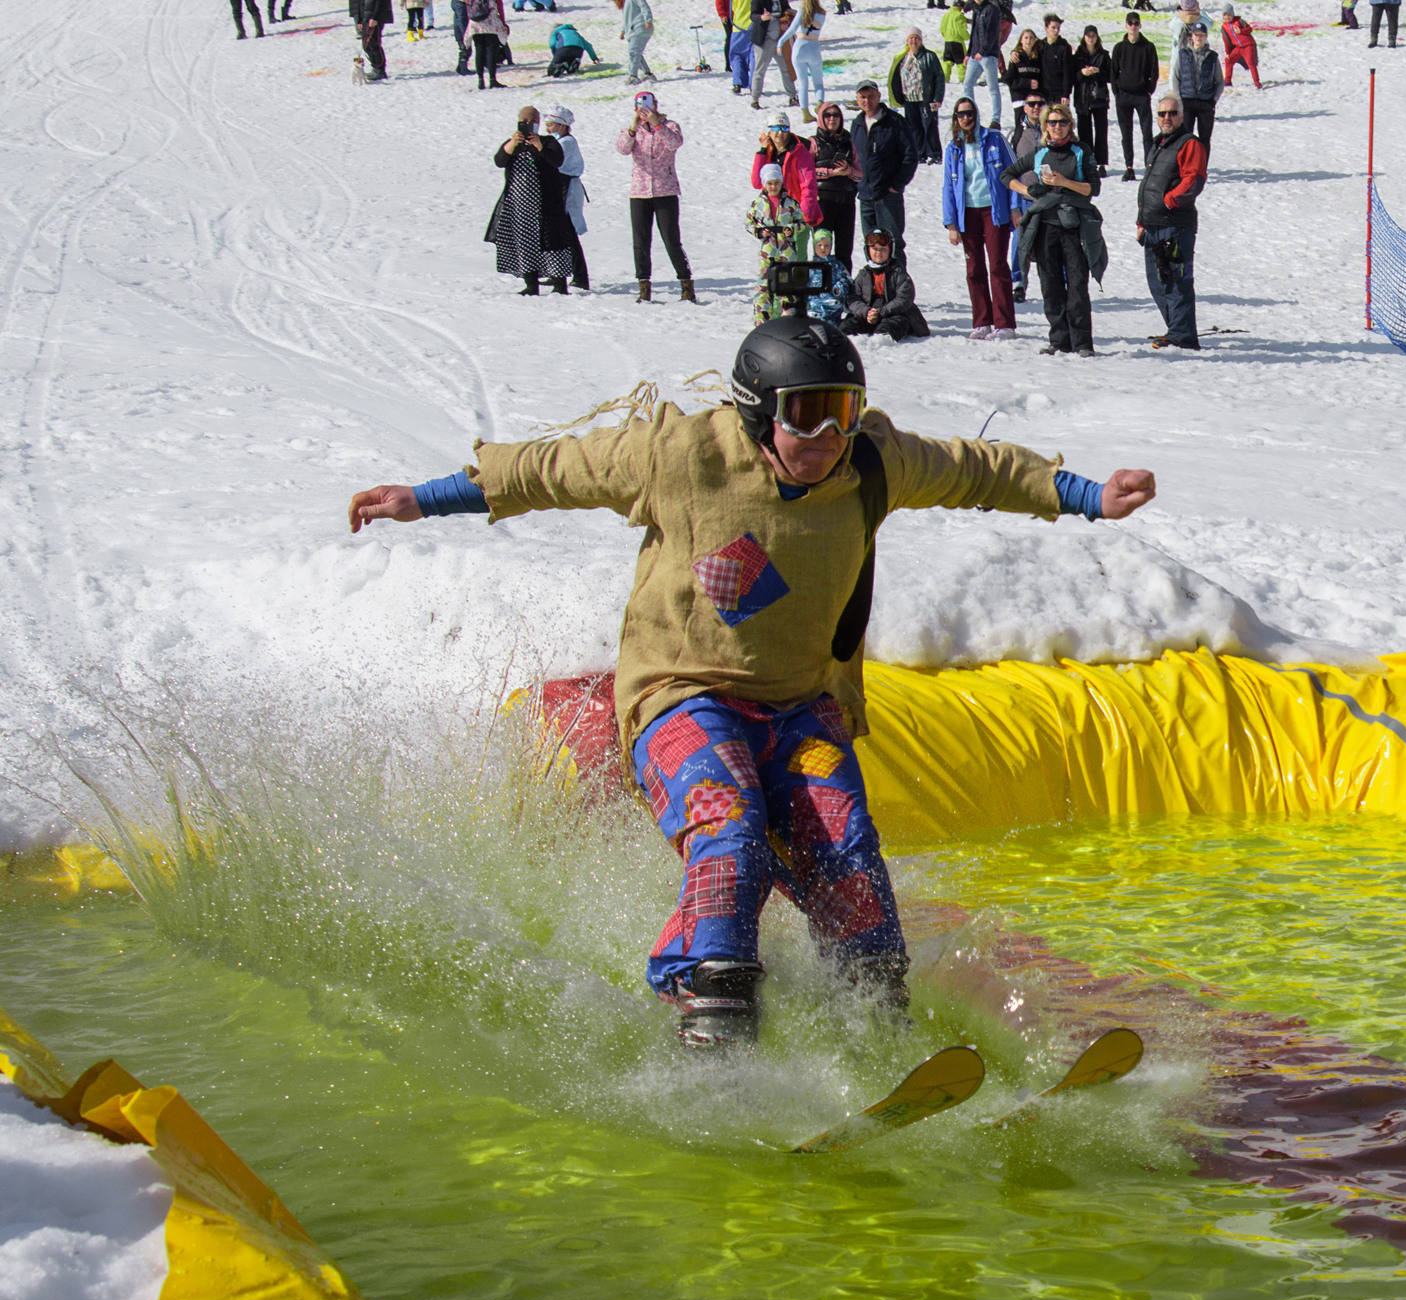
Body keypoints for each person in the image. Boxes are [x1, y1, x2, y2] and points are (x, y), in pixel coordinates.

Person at [346, 318, 1158, 1047]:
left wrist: (1088, 495)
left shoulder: (868, 464)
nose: (830, 431)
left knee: (850, 859)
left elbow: (973, 470)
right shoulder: (682, 457)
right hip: (682, 694)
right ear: (759, 413)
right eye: (808, 412)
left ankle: (873, 1030)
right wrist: (421, 498)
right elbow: (550, 469)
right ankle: (710, 1021)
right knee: (730, 832)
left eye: (844, 407)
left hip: (801, 706)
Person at [1004, 103, 1104, 355]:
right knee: (1050, 285)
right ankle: (1059, 339)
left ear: (1070, 124)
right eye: (1052, 122)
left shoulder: (1080, 151)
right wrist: (1028, 191)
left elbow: (1093, 188)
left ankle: (1082, 342)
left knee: (1078, 284)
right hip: (1046, 225)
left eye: (1062, 122)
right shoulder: (1039, 153)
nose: (1057, 127)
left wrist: (1064, 182)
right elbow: (1006, 175)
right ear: (1045, 125)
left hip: (1074, 225)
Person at [942, 96, 1020, 340]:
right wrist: (951, 223)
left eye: (970, 113)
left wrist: (1015, 208)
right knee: (974, 267)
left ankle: (1004, 323)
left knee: (997, 264)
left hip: (994, 210)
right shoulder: (953, 148)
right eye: (961, 114)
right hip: (968, 213)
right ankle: (982, 320)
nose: (966, 118)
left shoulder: (994, 139)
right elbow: (948, 187)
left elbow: (1013, 172)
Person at [1136, 92, 1206, 350]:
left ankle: (1182, 335)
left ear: (1182, 116)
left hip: (1175, 225)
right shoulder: (1158, 144)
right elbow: (1149, 185)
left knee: (1176, 280)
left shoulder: (1189, 144)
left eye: (1172, 113)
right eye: (1162, 114)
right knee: (1157, 281)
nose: (1167, 118)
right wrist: (1141, 222)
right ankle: (1177, 328)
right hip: (1153, 223)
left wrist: (1169, 201)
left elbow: (1193, 181)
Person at [486, 107, 580, 296]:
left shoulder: (548, 141)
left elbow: (557, 161)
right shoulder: (513, 143)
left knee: (553, 242)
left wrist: (540, 147)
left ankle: (560, 284)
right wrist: (512, 144)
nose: (527, 124)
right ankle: (531, 284)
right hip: (519, 205)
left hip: (546, 204)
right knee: (524, 242)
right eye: (523, 120)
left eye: (531, 120)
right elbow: (499, 160)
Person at [618, 93, 695, 304]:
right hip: (639, 192)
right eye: (639, 106)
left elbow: (674, 143)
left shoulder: (670, 125)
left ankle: (686, 284)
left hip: (665, 190)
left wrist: (656, 124)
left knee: (671, 239)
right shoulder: (633, 130)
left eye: (648, 105)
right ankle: (644, 287)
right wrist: (634, 127)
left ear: (656, 106)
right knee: (640, 241)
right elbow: (622, 148)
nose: (644, 110)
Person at [852, 80, 918, 263]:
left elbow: (910, 156)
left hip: (888, 196)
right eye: (862, 97)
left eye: (871, 96)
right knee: (871, 245)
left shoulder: (895, 122)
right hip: (865, 196)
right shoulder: (857, 124)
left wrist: (897, 185)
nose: (867, 101)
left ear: (879, 96)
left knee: (892, 244)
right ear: (857, 99)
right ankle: (875, 289)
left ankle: (897, 289)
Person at [748, 164, 810, 323]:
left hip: (786, 251)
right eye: (769, 183)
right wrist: (759, 232)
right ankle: (762, 321)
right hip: (768, 251)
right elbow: (748, 222)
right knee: (763, 288)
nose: (773, 187)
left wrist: (791, 228)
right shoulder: (758, 203)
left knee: (786, 287)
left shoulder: (790, 203)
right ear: (764, 184)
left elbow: (802, 221)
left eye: (776, 182)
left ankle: (787, 321)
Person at [844, 231, 932, 340]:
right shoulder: (863, 275)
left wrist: (882, 312)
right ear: (867, 251)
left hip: (892, 314)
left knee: (894, 325)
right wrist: (866, 312)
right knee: (847, 326)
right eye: (874, 249)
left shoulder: (898, 273)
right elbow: (853, 298)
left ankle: (882, 338)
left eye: (883, 249)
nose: (878, 253)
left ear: (890, 251)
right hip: (869, 314)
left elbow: (904, 298)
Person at [544, 107, 591, 291]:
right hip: (557, 187)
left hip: (567, 188)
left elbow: (554, 161)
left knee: (569, 232)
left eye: (551, 125)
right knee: (556, 233)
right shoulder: (555, 141)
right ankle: (556, 271)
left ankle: (580, 276)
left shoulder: (567, 142)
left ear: (562, 125)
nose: (548, 129)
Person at [812, 102, 861, 271]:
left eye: (836, 115)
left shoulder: (848, 143)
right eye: (827, 115)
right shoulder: (814, 142)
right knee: (822, 247)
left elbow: (860, 173)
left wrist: (848, 171)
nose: (832, 119)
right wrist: (832, 173)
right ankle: (820, 288)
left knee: (845, 250)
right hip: (823, 201)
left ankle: (844, 287)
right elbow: (806, 172)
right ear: (821, 118)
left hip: (846, 201)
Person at [887, 29, 948, 166]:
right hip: (909, 98)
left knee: (929, 126)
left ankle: (934, 153)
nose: (913, 41)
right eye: (911, 38)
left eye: (916, 38)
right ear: (907, 41)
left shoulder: (929, 56)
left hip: (926, 98)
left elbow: (939, 77)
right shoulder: (902, 57)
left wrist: (937, 98)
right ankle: (919, 153)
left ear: (921, 40)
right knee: (914, 127)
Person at [1111, 11, 1157, 183]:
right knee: (1126, 133)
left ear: (1140, 25)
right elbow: (1113, 71)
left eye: (1136, 23)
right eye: (1130, 23)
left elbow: (1154, 71)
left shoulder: (1148, 47)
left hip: (1141, 95)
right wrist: (1116, 91)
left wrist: (1149, 91)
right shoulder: (1119, 48)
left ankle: (1149, 166)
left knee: (1147, 133)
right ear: (1125, 25)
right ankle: (1129, 167)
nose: (1133, 26)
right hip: (1123, 96)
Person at [754, 113, 823, 228]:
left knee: (797, 246)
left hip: (795, 213)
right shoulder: (767, 152)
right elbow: (756, 182)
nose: (780, 132)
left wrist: (804, 215)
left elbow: (808, 185)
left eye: (785, 129)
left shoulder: (800, 152)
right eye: (776, 128)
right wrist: (762, 152)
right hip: (772, 214)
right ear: (769, 131)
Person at [1007, 95, 1045, 299]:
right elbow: (1010, 171)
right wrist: (1014, 206)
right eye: (1032, 104)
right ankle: (1018, 282)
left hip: (1049, 197)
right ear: (1025, 108)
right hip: (1024, 195)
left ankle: (1060, 282)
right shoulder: (1017, 133)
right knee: (1019, 241)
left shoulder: (1053, 128)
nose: (1036, 107)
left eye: (1040, 104)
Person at [1070, 25, 1111, 172]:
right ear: (1084, 37)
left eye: (1093, 35)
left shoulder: (1103, 55)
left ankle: (1101, 163)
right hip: (1082, 98)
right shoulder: (1078, 56)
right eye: (1088, 35)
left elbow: (1111, 76)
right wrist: (1082, 73)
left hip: (1099, 98)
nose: (1091, 38)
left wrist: (1098, 71)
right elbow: (1072, 77)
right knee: (1084, 132)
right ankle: (1088, 162)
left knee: (1101, 132)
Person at [1175, 22, 1221, 151]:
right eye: (1196, 35)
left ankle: (1202, 169)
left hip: (1206, 102)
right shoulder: (1183, 54)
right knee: (1185, 138)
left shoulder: (1212, 57)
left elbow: (1220, 81)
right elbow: (1176, 77)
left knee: (1204, 139)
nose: (1198, 38)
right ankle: (1186, 168)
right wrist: (1179, 100)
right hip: (1187, 101)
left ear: (1206, 36)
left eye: (1201, 35)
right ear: (1192, 36)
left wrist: (1214, 99)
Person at [963, 0, 1008, 129]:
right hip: (975, 55)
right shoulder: (976, 9)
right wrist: (968, 52)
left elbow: (992, 33)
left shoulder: (991, 9)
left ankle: (996, 119)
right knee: (967, 84)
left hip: (988, 56)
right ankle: (970, 114)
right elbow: (974, 34)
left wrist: (983, 51)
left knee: (993, 88)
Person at [783, 0, 828, 118]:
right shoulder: (822, 12)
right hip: (814, 48)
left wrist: (780, 42)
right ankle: (819, 103)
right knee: (818, 82)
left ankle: (805, 113)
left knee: (803, 83)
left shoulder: (802, 11)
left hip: (799, 48)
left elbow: (792, 29)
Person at [750, 0, 798, 109]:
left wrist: (790, 15)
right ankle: (755, 98)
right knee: (760, 69)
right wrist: (761, 17)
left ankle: (792, 96)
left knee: (786, 68)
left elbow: (786, 9)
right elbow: (753, 15)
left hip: (780, 38)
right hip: (764, 39)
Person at [804, 228, 853, 324]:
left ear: (831, 247)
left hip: (832, 313)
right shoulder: (809, 268)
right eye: (819, 245)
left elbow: (847, 281)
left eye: (826, 245)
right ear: (814, 246)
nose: (823, 248)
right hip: (813, 313)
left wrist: (839, 290)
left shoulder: (837, 266)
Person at [1005, 31, 1044, 132]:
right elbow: (1009, 80)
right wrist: (1027, 83)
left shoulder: (1037, 57)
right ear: (1021, 40)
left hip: (1034, 100)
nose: (1028, 40)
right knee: (1021, 128)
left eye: (1031, 38)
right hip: (1020, 99)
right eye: (1026, 38)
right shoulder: (1016, 57)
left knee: (1035, 127)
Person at [466, 0, 510, 88]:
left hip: (475, 23)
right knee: (491, 52)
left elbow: (468, 5)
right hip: (491, 23)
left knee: (479, 51)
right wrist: (503, 23)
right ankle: (492, 79)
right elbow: (499, 6)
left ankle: (480, 80)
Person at [1219, 4, 1258, 87]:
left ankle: (1257, 82)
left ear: (1232, 14)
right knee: (1228, 60)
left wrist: (1241, 31)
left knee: (1251, 64)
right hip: (1238, 48)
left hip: (1248, 45)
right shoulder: (1224, 27)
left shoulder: (1239, 21)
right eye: (1225, 15)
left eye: (1229, 15)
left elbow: (1249, 29)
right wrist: (1228, 53)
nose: (1227, 17)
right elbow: (1226, 41)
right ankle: (1227, 81)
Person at [351, 0, 392, 80]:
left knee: (373, 44)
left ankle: (380, 70)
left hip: (375, 18)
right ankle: (375, 66)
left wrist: (375, 18)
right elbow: (360, 2)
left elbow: (381, 3)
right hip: (365, 17)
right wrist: (359, 19)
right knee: (366, 45)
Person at [616, 0, 656, 82]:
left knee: (634, 52)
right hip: (634, 31)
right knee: (636, 53)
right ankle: (648, 74)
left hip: (640, 28)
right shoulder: (626, 3)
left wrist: (648, 20)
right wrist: (623, 31)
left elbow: (645, 8)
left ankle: (633, 76)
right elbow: (627, 19)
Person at [1039, 14, 1073, 107]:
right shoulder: (1040, 45)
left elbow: (1068, 72)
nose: (1056, 30)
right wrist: (1015, 52)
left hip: (1060, 94)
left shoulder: (1064, 47)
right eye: (1053, 27)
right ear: (1046, 28)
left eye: (1058, 28)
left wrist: (1066, 94)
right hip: (1043, 92)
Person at [726, 0, 755, 92]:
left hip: (738, 26)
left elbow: (732, 9)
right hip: (755, 26)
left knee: (737, 55)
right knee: (755, 57)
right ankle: (754, 85)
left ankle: (738, 83)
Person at [940, 0, 970, 82]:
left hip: (947, 41)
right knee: (961, 63)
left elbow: (942, 29)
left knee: (947, 62)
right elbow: (961, 30)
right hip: (957, 43)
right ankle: (963, 80)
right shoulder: (959, 15)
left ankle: (945, 79)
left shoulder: (946, 15)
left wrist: (947, 36)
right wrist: (967, 36)